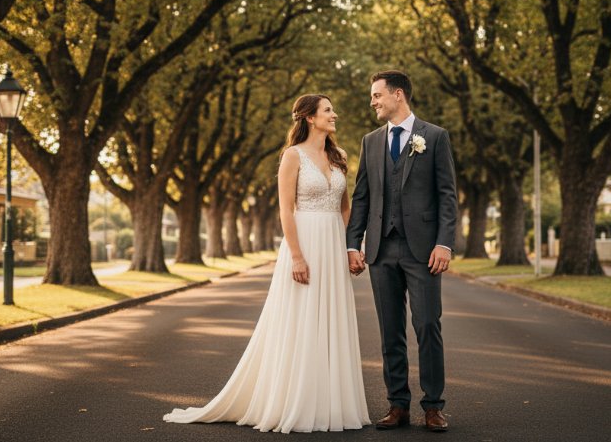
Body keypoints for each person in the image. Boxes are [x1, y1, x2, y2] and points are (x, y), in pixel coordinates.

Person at [163, 94, 370, 433]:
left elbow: (345, 207)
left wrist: (352, 247)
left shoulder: (340, 156)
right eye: (328, 110)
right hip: (304, 242)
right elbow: (285, 210)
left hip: (334, 244)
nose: (335, 114)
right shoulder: (292, 156)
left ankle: (332, 403)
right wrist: (297, 256)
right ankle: (295, 402)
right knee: (301, 320)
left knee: (331, 319)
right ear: (309, 118)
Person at [346, 70, 458, 432]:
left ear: (398, 95)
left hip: (423, 250)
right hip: (381, 249)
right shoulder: (370, 142)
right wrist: (353, 243)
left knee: (427, 325)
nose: (373, 102)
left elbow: (447, 195)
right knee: (390, 331)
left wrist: (444, 243)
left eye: (377, 95)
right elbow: (361, 197)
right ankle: (397, 404)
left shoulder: (435, 136)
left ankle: (433, 406)